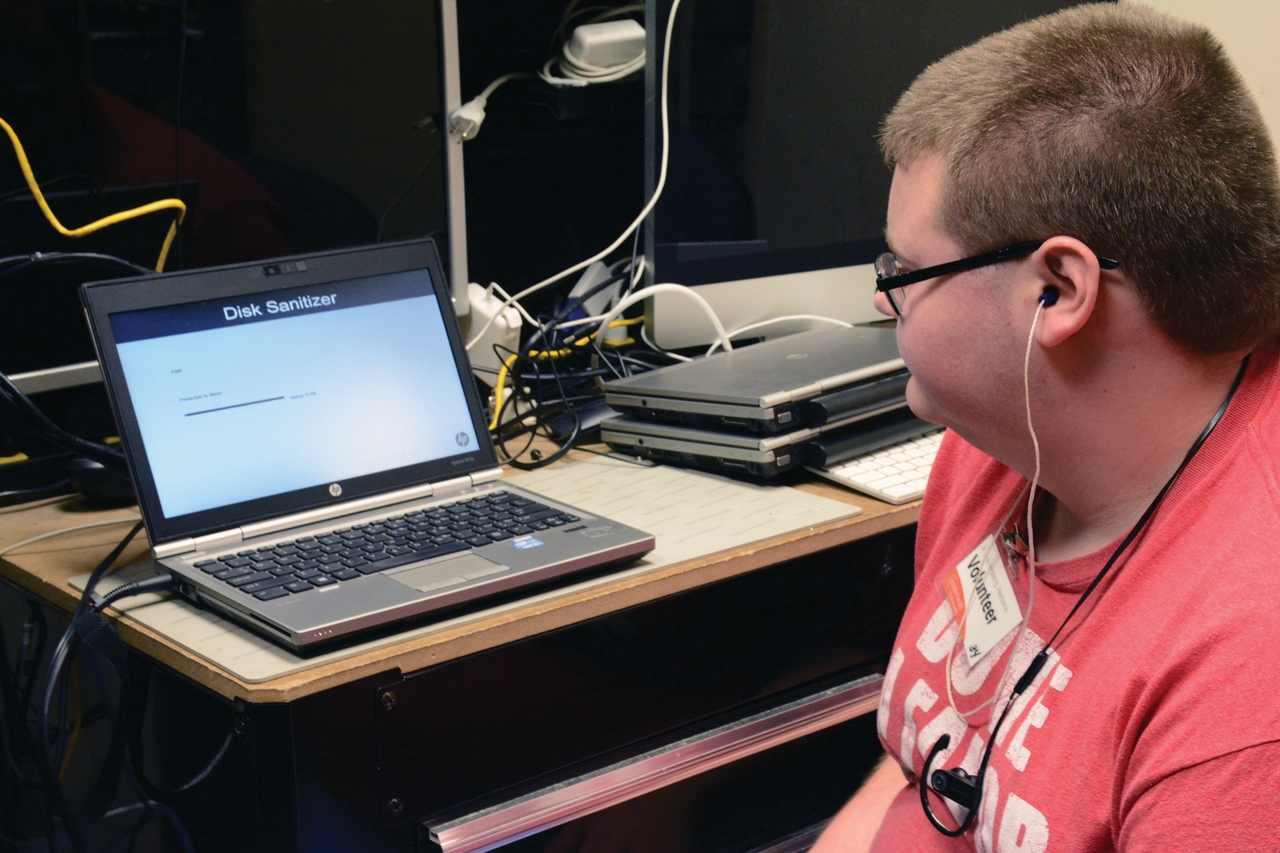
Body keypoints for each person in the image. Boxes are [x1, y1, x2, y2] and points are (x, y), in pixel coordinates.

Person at [812, 4, 1280, 852]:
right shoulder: (1000, 442)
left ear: (1059, 291)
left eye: (906, 271)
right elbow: (935, 756)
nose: (882, 300)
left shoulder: (1249, 685)